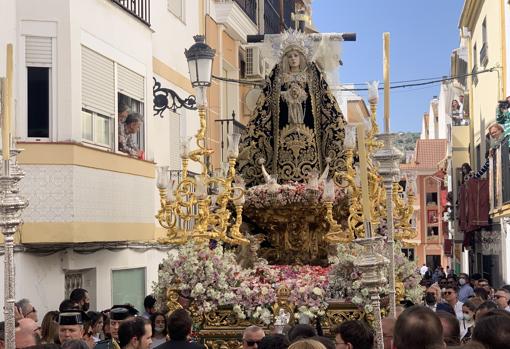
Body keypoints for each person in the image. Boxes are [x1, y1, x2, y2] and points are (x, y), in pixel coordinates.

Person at [237, 29, 346, 187]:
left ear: (301, 57)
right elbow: (265, 106)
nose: (293, 59)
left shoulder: (312, 74)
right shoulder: (277, 76)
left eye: (295, 55)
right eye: (289, 56)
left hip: (310, 140)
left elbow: (326, 103)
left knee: (313, 179)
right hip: (283, 140)